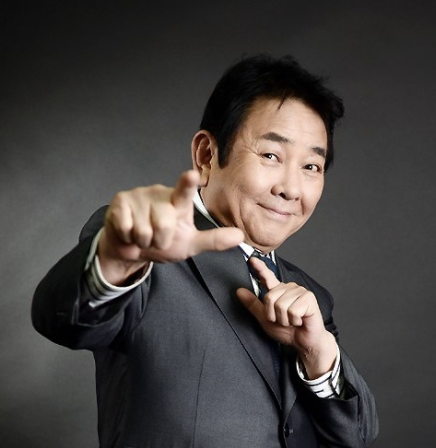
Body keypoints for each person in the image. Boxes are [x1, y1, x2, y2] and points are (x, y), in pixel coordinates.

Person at [32, 54, 378, 448]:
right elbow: (64, 321)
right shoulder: (141, 251)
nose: (291, 189)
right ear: (207, 156)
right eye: (270, 155)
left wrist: (317, 354)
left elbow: (356, 436)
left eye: (311, 167)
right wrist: (112, 260)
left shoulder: (312, 297)